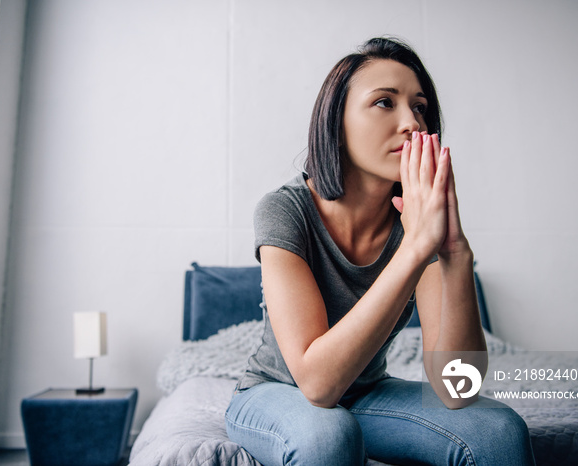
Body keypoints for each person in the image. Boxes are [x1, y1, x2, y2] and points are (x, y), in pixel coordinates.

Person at [225, 37, 535, 465]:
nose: (412, 122)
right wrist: (414, 248)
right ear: (337, 121)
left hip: (367, 394)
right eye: (385, 103)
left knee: (497, 430)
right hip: (274, 392)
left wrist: (456, 254)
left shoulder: (417, 224)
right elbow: (316, 385)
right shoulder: (284, 210)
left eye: (420, 106)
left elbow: (455, 388)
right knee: (327, 434)